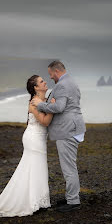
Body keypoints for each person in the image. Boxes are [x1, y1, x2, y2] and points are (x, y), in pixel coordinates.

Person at [0, 75, 55, 218]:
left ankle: (39, 200)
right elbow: (45, 122)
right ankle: (33, 202)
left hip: (39, 138)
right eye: (42, 81)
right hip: (33, 138)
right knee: (36, 167)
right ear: (36, 87)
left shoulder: (45, 99)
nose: (45, 82)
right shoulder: (34, 103)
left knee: (36, 168)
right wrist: (53, 108)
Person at [31, 60, 86, 213]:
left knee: (68, 167)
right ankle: (70, 197)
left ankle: (73, 201)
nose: (51, 78)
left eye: (50, 75)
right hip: (74, 127)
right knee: (69, 166)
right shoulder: (72, 82)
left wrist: (40, 105)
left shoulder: (62, 85)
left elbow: (59, 107)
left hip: (67, 130)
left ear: (56, 72)